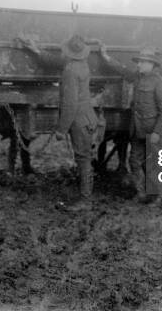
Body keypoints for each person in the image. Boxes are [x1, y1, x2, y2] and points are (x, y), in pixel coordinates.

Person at [20, 35, 98, 211]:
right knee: (84, 158)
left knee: (84, 159)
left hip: (78, 119)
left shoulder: (70, 70)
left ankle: (86, 200)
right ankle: (86, 196)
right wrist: (36, 49)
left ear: (69, 53)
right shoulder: (80, 64)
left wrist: (61, 130)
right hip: (86, 117)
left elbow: (70, 104)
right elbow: (56, 61)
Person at [99, 45, 162, 205]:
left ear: (152, 64)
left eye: (142, 62)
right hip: (137, 129)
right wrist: (106, 57)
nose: (139, 65)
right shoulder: (138, 77)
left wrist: (157, 132)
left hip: (153, 131)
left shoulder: (159, 83)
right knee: (134, 162)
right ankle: (142, 193)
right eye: (139, 62)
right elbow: (123, 70)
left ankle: (159, 197)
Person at [0, 105, 34, 176]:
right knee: (13, 139)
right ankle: (11, 169)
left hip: (23, 108)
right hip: (8, 108)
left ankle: (26, 168)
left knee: (25, 139)